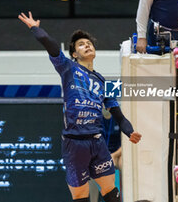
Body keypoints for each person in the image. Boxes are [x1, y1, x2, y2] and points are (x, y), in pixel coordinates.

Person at [18, 12, 142, 202]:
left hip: (97, 142)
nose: (87, 45)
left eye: (89, 43)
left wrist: (129, 131)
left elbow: (118, 115)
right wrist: (35, 27)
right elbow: (48, 43)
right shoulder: (68, 67)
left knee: (110, 190)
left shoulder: (105, 81)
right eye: (81, 44)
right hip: (74, 143)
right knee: (80, 196)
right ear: (74, 54)